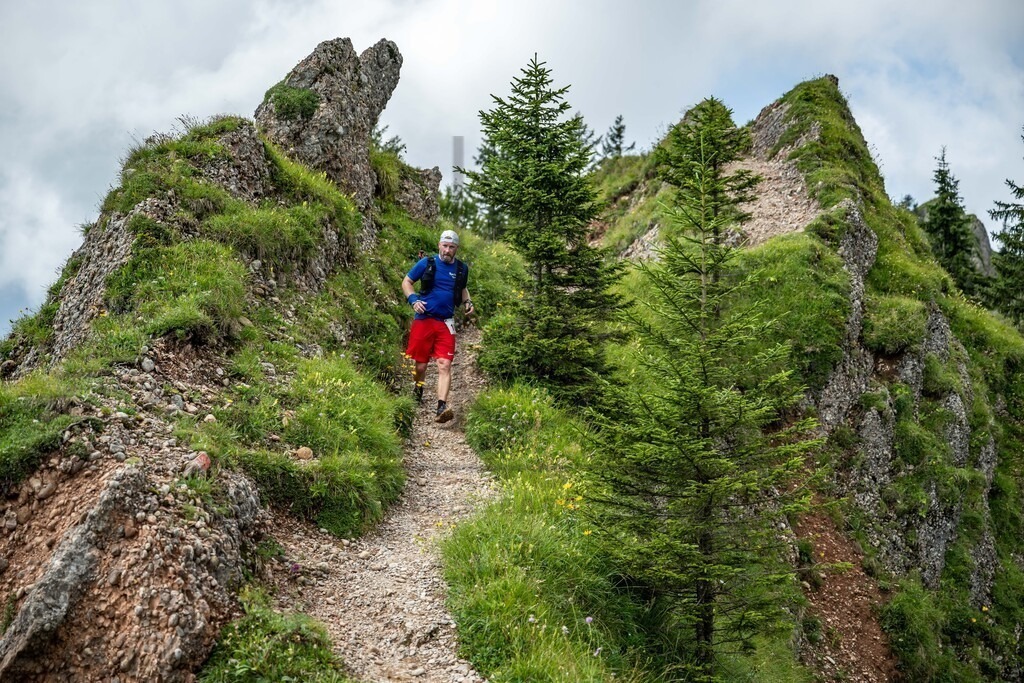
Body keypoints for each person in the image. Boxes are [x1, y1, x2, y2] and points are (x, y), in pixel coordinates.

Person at [402, 229, 474, 423]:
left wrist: (468, 302)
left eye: (451, 247)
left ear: (456, 249)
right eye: (445, 246)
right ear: (439, 245)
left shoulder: (461, 269)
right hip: (424, 319)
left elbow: (463, 288)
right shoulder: (427, 263)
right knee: (421, 364)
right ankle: (418, 387)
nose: (447, 250)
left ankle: (441, 406)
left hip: (446, 322)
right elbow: (407, 282)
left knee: (445, 363)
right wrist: (413, 300)